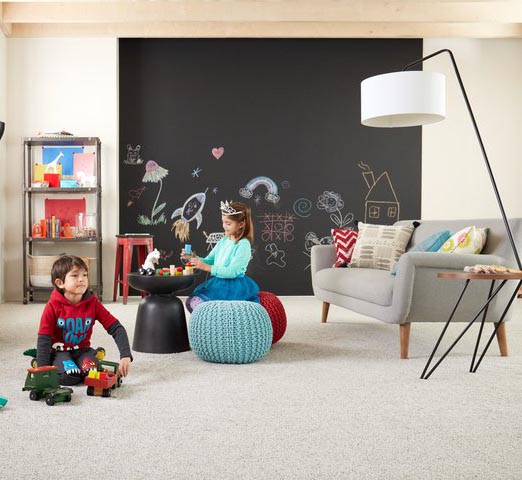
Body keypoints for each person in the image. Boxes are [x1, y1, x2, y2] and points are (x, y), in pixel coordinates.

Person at [36, 255, 132, 386]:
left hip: (83, 351)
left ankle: (82, 366)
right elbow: (44, 338)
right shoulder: (52, 306)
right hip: (60, 352)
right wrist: (43, 370)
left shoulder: (92, 303)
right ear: (60, 283)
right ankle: (65, 367)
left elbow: (116, 328)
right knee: (69, 377)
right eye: (75, 275)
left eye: (85, 275)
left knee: (92, 372)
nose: (82, 279)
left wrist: (125, 355)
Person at [183, 200, 260, 312]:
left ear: (241, 224)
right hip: (219, 282)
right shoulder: (223, 240)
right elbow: (209, 260)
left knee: (208, 306)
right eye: (223, 222)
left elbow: (233, 271)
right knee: (193, 301)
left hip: (233, 286)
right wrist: (193, 258)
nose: (224, 226)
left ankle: (218, 323)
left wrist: (206, 267)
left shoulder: (243, 244)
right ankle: (209, 325)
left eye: (228, 223)